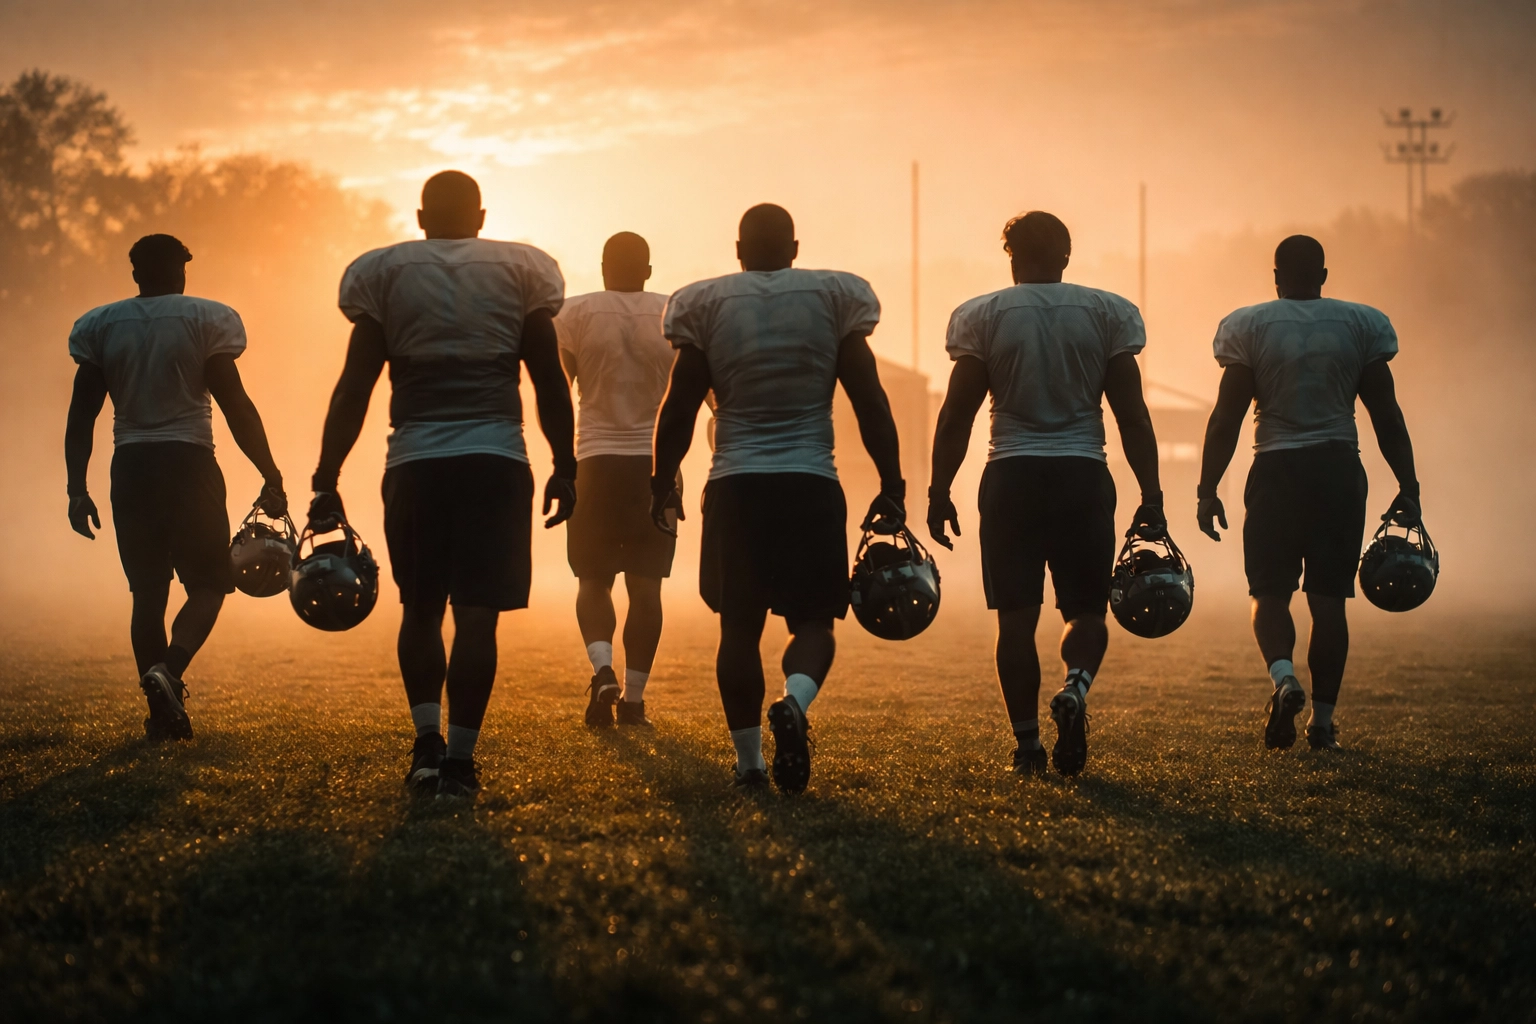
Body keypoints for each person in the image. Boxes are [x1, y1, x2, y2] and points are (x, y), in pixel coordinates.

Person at [309, 171, 575, 800]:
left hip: (417, 461)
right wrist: (566, 463)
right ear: (481, 216)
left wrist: (326, 475)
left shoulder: (387, 274)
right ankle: (459, 761)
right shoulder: (520, 272)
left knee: (421, 610)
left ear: (422, 216)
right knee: (478, 619)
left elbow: (355, 387)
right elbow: (548, 381)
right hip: (496, 461)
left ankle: (425, 744)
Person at [651, 203, 904, 792]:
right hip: (810, 481)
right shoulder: (832, 298)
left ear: (738, 251)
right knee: (815, 621)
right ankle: (794, 702)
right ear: (794, 249)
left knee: (738, 629)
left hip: (736, 483)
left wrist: (662, 481)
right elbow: (870, 400)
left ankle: (749, 766)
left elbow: (681, 405)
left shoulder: (706, 303)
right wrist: (893, 484)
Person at [927, 211, 1163, 777]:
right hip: (1083, 473)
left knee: (1015, 621)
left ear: (1010, 257)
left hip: (1011, 476)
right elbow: (1131, 414)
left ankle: (1028, 747)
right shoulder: (1105, 313)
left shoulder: (983, 316)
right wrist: (1151, 494)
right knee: (1086, 611)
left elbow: (958, 412)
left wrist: (939, 489)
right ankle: (1076, 689)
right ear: (1066, 255)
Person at [1197, 235, 1419, 752]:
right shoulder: (1360, 325)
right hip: (1339, 469)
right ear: (1323, 275)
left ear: (1275, 277)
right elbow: (1385, 415)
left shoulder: (1250, 326)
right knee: (1328, 603)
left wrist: (1208, 488)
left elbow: (1227, 416)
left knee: (1268, 593)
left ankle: (1283, 678)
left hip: (1276, 468)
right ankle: (1322, 723)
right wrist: (1409, 484)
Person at [64, 234, 287, 742]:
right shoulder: (204, 319)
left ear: (136, 272)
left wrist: (77, 487)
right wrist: (269, 471)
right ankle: (171, 670)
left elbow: (82, 416)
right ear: (183, 270)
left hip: (133, 465)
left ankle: (161, 712)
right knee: (209, 585)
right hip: (189, 463)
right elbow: (235, 404)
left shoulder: (100, 325)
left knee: (147, 594)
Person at [555, 232, 675, 728]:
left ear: (602, 266)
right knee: (647, 590)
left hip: (594, 460)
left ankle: (602, 669)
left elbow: (557, 395)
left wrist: (563, 466)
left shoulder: (574, 314)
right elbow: (699, 398)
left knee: (592, 579)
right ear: (648, 270)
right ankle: (634, 701)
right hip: (654, 464)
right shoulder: (673, 312)